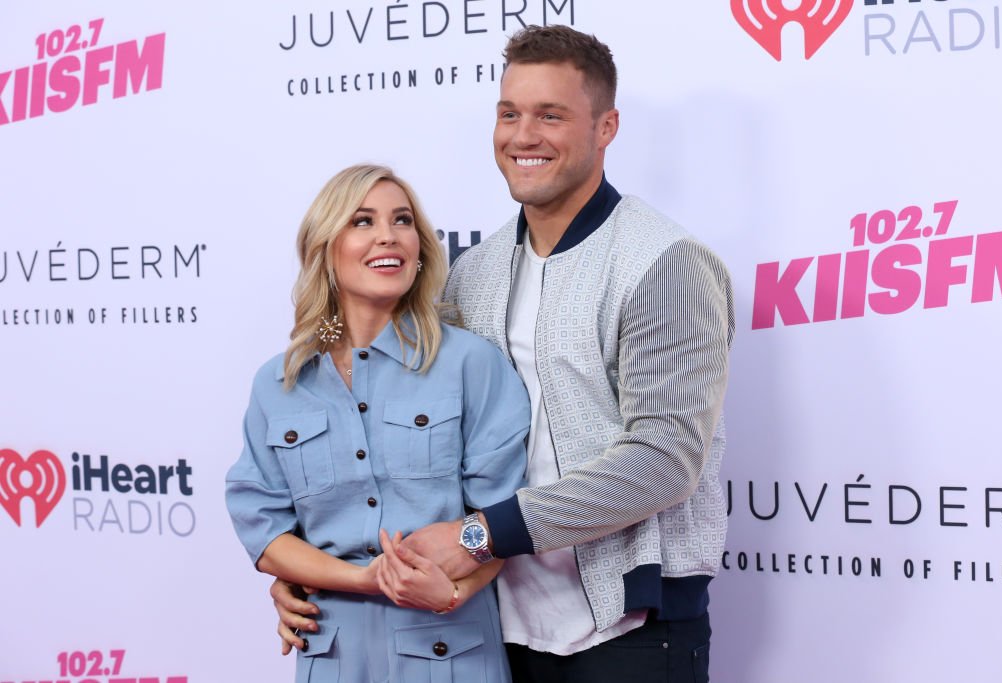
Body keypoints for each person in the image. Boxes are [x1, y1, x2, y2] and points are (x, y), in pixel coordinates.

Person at [273, 25, 735, 683]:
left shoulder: (664, 263)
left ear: (606, 128)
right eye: (509, 113)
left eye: (552, 115)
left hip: (630, 632)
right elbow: (399, 427)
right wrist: (313, 569)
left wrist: (481, 533)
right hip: (488, 628)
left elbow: (663, 460)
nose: (523, 135)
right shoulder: (475, 271)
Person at [225, 164, 530, 683]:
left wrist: (456, 592)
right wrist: (363, 579)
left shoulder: (469, 363)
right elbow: (265, 528)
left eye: (402, 220)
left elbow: (505, 519)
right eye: (362, 221)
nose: (388, 235)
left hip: (450, 649)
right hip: (331, 654)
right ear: (326, 247)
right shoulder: (279, 382)